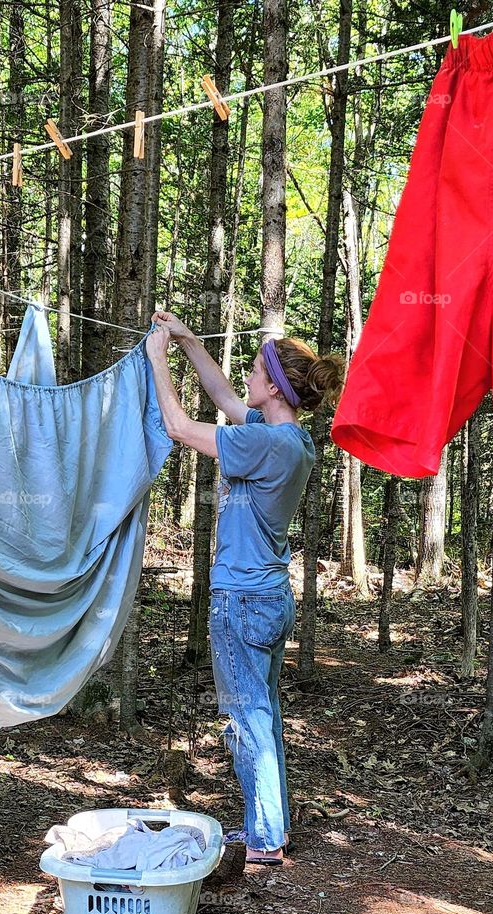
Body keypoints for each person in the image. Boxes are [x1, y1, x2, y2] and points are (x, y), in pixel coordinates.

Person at [145, 310, 345, 866]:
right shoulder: (288, 440)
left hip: (242, 601)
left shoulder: (268, 447)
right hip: (269, 598)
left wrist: (157, 360)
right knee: (262, 714)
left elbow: (181, 429)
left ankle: (264, 839)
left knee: (245, 717)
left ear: (276, 387)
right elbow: (225, 397)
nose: (249, 377)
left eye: (257, 369)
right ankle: (266, 829)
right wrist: (185, 340)